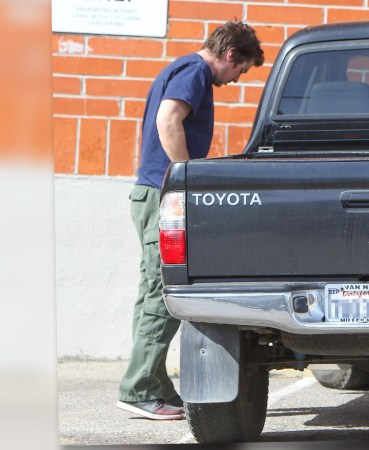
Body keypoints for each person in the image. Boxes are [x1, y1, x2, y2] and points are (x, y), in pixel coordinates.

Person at [116, 21, 264, 420]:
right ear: (231, 55)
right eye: (241, 70)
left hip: (151, 193)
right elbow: (168, 120)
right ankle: (139, 389)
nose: (236, 80)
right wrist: (186, 175)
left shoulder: (180, 67)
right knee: (164, 293)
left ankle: (154, 384)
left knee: (154, 291)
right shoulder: (196, 72)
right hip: (162, 194)